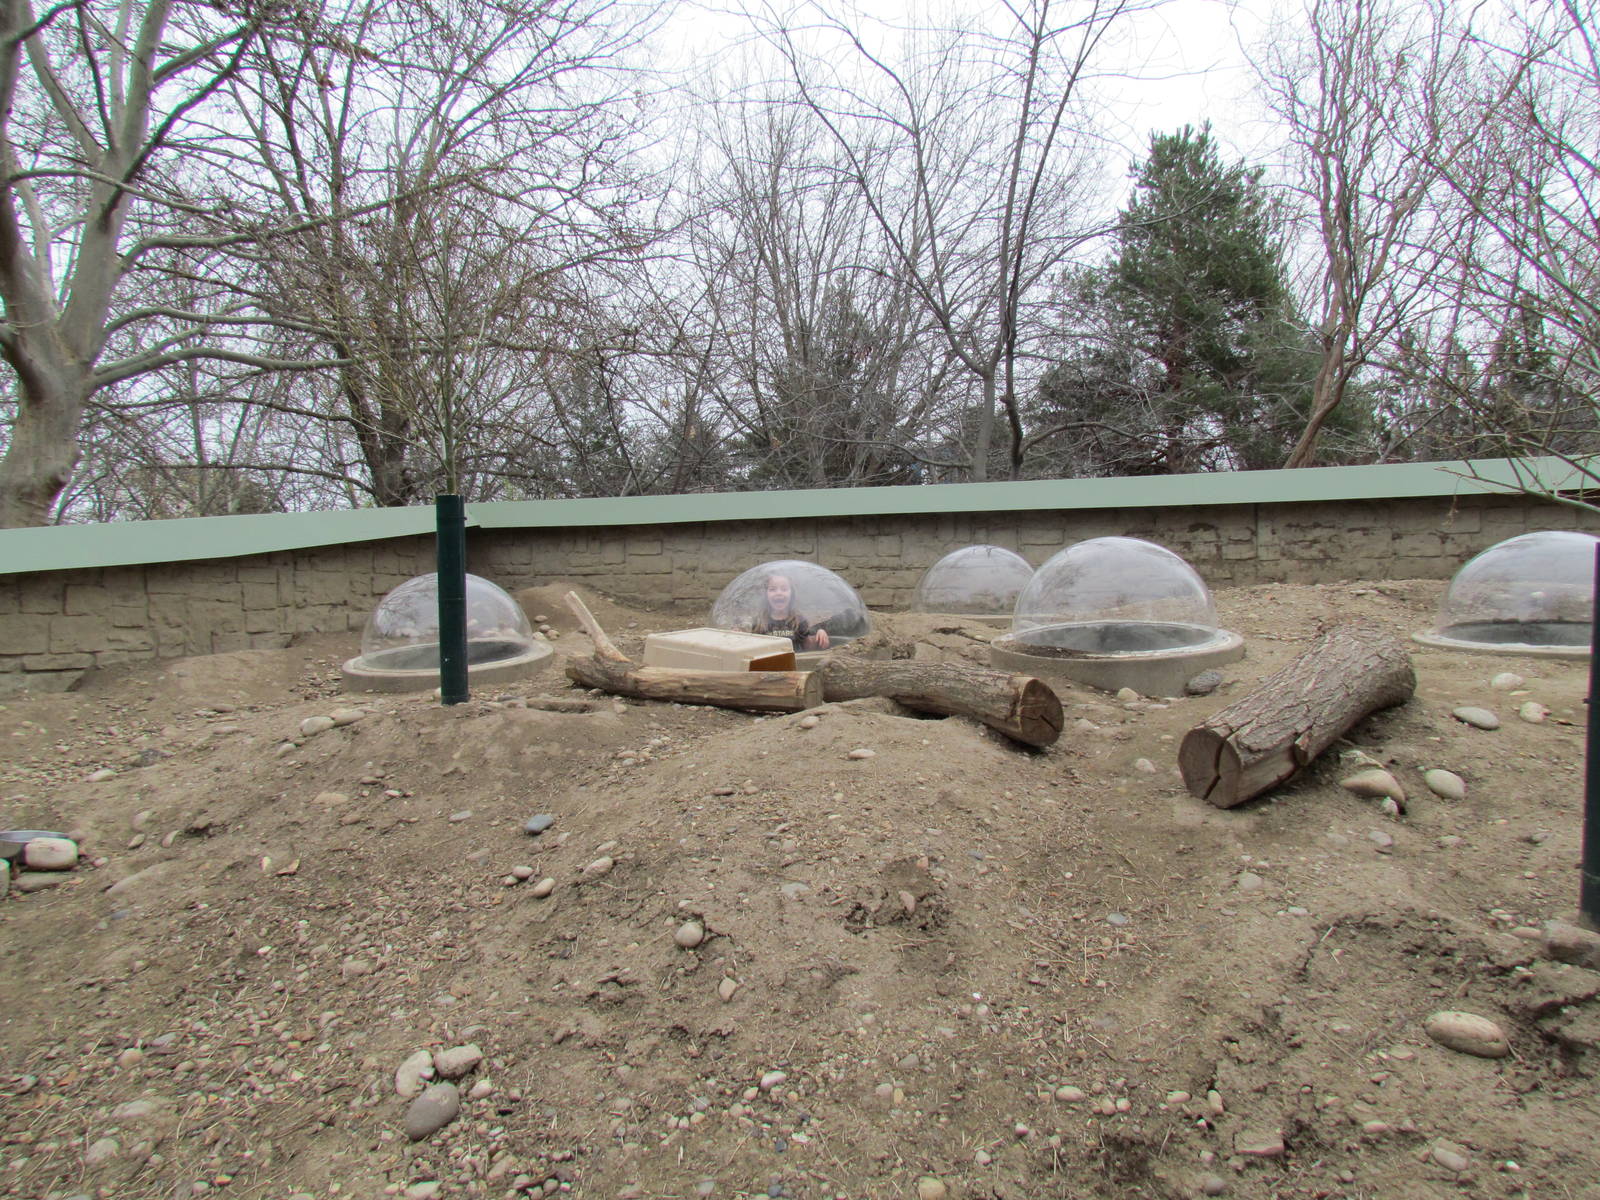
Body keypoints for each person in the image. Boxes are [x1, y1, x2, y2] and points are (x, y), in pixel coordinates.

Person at [751, 572, 830, 651]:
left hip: (794, 661)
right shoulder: (759, 622)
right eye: (772, 589)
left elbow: (808, 648)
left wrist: (819, 635)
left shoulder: (799, 620)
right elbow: (753, 648)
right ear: (766, 594)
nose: (779, 593)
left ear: (792, 594)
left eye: (784, 589)